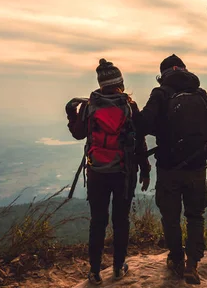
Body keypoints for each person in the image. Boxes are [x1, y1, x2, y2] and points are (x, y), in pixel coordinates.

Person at [137, 54, 207, 285]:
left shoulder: (160, 94)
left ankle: (176, 258)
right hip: (197, 167)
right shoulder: (200, 94)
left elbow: (143, 124)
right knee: (195, 215)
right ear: (185, 70)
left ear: (162, 75)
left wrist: (162, 129)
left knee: (170, 217)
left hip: (168, 168)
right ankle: (193, 265)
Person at [65, 58, 151, 285]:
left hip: (96, 172)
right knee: (121, 220)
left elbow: (78, 134)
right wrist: (145, 169)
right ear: (120, 82)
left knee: (98, 221)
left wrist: (72, 115)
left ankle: (94, 272)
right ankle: (117, 268)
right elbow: (138, 140)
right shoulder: (129, 106)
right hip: (124, 173)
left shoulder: (89, 105)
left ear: (100, 83)